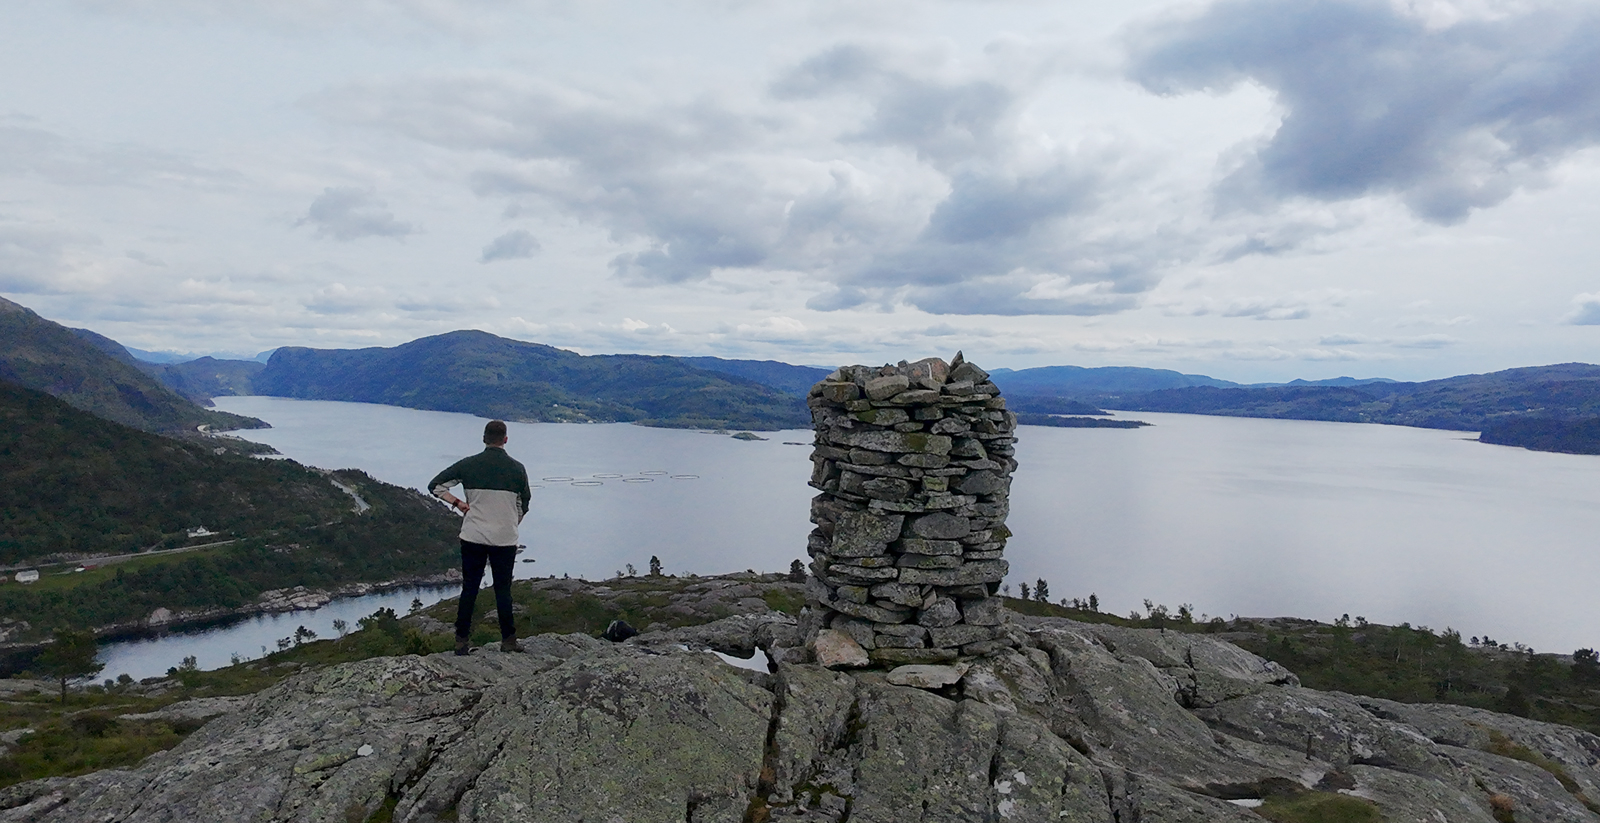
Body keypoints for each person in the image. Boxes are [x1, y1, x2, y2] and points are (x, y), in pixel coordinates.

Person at [429, 419, 532, 655]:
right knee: (503, 590)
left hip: (473, 535)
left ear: (484, 439)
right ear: (505, 440)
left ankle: (461, 642)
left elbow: (435, 485)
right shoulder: (518, 469)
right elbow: (524, 504)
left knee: (470, 589)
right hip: (504, 539)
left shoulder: (468, 465)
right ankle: (509, 641)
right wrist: (509, 522)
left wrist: (459, 504)